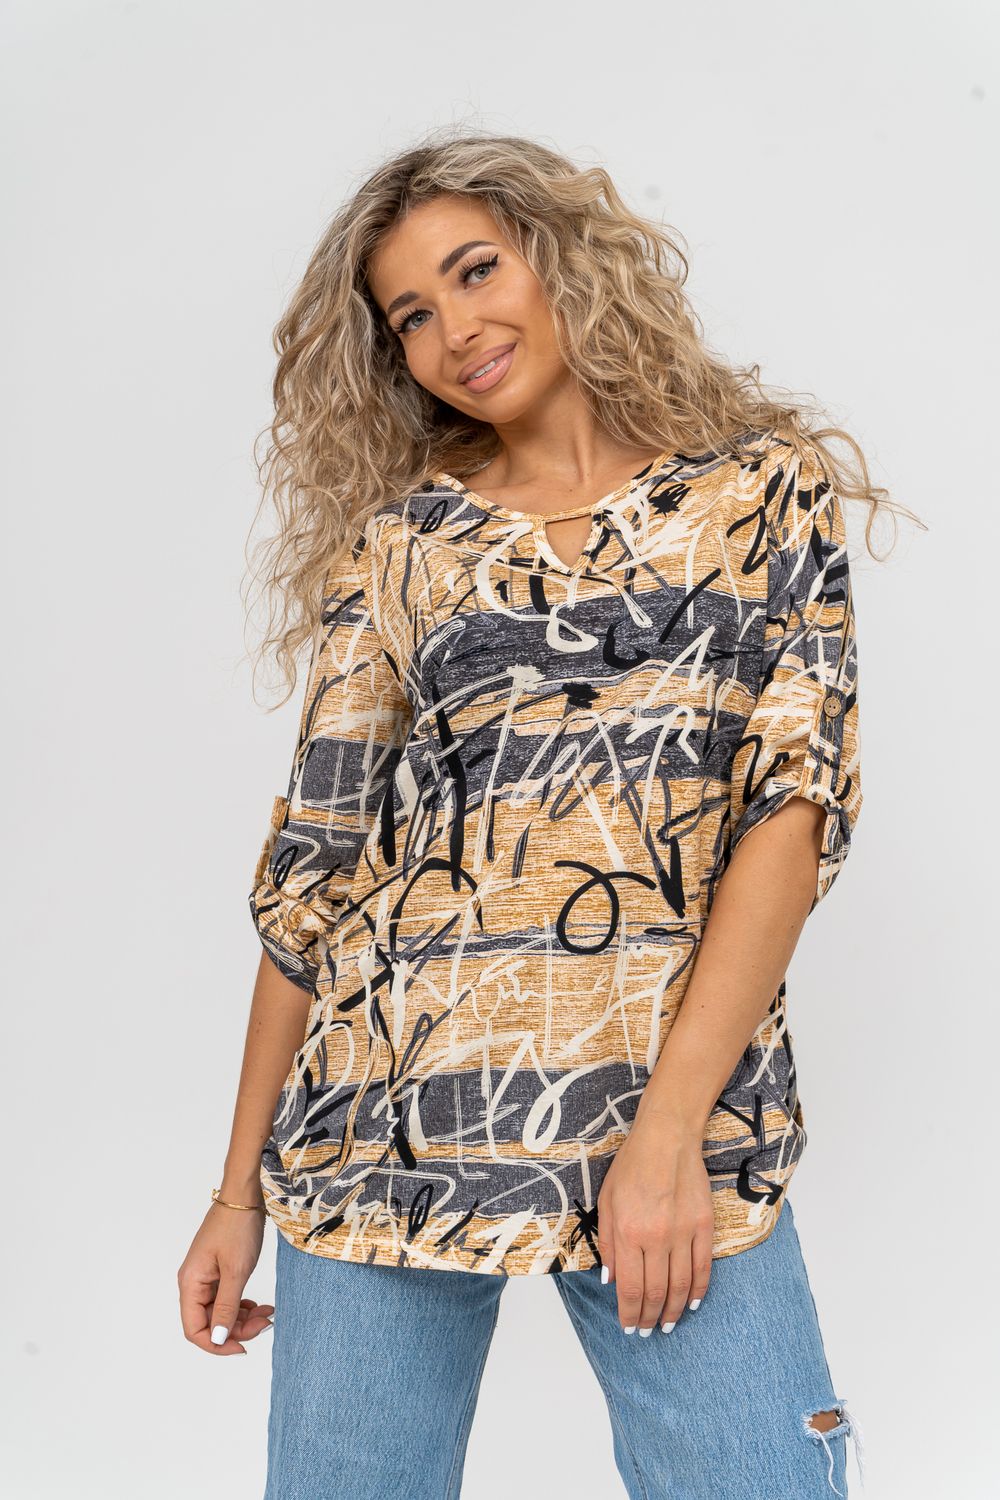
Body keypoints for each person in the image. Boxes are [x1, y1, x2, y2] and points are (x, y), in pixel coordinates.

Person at [177, 128, 902, 1498]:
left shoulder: (758, 493)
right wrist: (233, 1195)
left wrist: (669, 1134)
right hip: (381, 1128)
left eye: (474, 272)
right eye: (411, 314)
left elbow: (792, 809)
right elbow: (313, 879)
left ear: (561, 261)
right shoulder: (403, 548)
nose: (454, 329)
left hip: (672, 1127)